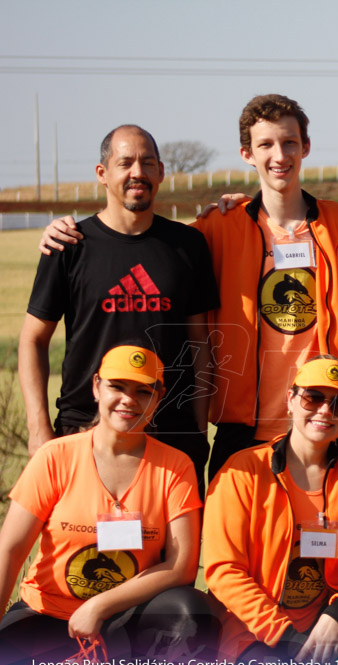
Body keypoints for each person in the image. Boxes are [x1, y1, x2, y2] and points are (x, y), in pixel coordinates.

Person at [38, 95, 338, 482]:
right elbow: (147, 249)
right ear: (247, 153)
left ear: (306, 147)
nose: (279, 156)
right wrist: (70, 233)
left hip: (322, 411)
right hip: (240, 425)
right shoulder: (218, 228)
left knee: (318, 545)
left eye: (289, 143)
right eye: (266, 144)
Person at [21, 125, 218, 493]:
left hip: (172, 436)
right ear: (103, 173)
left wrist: (198, 429)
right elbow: (33, 340)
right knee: (79, 549)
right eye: (125, 163)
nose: (137, 173)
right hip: (85, 429)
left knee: (173, 551)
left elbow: (201, 345)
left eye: (147, 163)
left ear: (161, 171)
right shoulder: (69, 246)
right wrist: (39, 431)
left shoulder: (188, 245)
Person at [0, 345, 215, 665]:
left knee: (191, 613)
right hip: (48, 616)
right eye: (118, 386)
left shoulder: (175, 466)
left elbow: (181, 565)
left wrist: (99, 605)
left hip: (127, 620)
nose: (129, 399)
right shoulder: (54, 457)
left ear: (159, 398)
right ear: (97, 387)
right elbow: (10, 551)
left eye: (143, 391)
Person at [203, 356, 338, 665]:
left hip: (327, 627)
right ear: (290, 400)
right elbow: (223, 570)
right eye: (313, 398)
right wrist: (285, 636)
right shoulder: (242, 471)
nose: (324, 411)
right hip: (254, 632)